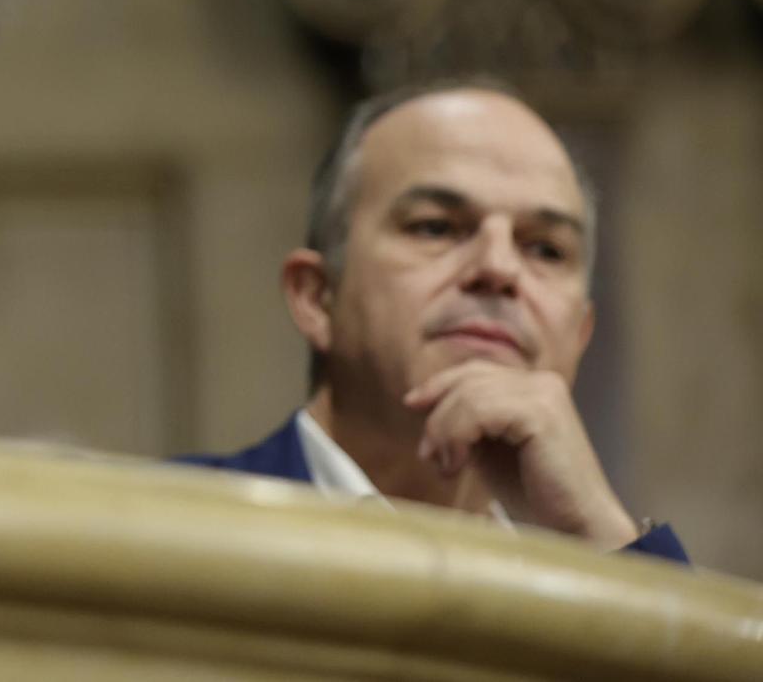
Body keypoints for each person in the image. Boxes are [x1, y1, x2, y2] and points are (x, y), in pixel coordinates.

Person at [177, 81, 685, 562]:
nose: (499, 268)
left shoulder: (600, 549)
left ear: (580, 336)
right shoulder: (164, 527)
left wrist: (601, 535)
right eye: (436, 227)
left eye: (545, 249)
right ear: (317, 297)